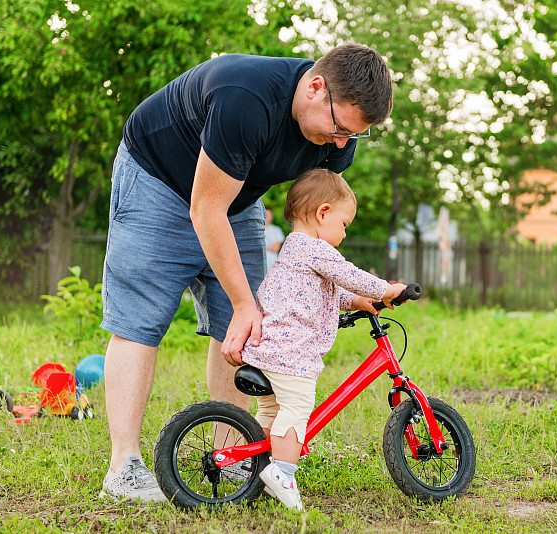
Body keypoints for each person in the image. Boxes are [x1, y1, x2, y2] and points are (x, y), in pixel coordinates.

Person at [99, 43, 393, 503]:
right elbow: (205, 207)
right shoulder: (247, 98)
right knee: (141, 321)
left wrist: (340, 285)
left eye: (354, 135)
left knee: (248, 329)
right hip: (158, 180)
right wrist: (243, 301)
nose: (342, 143)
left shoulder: (338, 139)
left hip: (234, 198)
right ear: (315, 87)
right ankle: (125, 468)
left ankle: (231, 456)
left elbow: (313, 223)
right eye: (338, 129)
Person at [240, 169, 406, 510]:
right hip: (290, 354)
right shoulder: (313, 248)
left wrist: (360, 301)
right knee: (298, 406)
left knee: (271, 410)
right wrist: (386, 289)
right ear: (323, 213)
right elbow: (348, 275)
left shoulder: (297, 250)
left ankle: (248, 464)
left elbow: (330, 290)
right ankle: (282, 471)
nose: (345, 233)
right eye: (344, 224)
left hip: (271, 351)